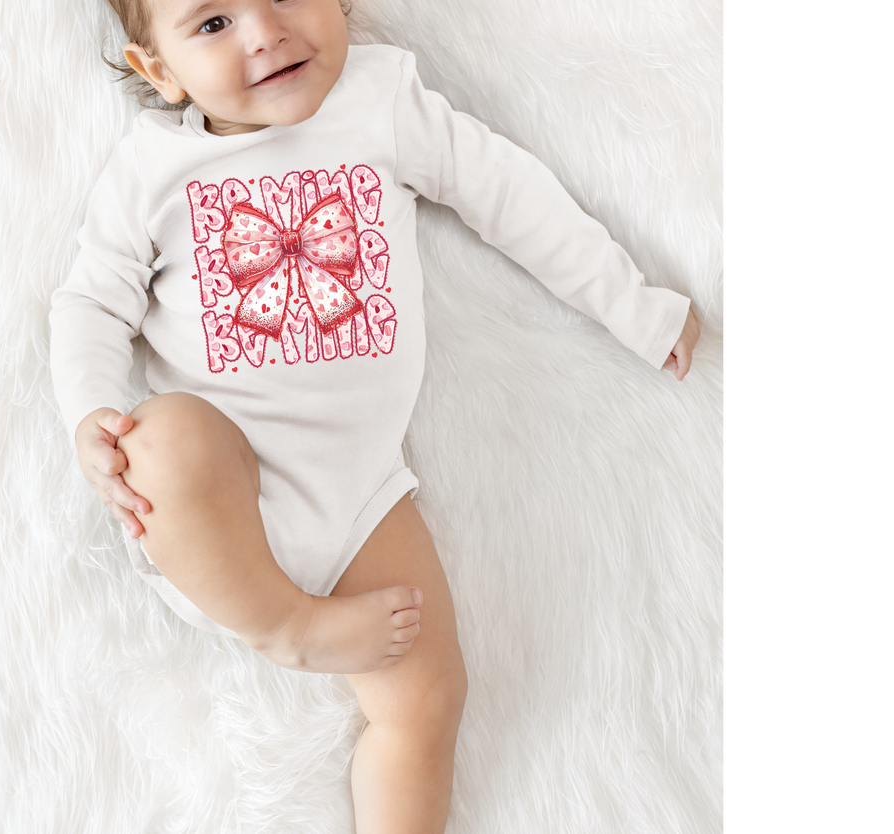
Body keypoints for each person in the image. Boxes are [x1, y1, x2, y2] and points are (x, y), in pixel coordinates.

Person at [49, 1, 701, 831]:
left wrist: (631, 304)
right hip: (220, 497)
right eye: (213, 23)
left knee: (428, 700)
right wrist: (92, 415)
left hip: (359, 495)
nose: (264, 31)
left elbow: (509, 193)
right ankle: (287, 624)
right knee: (162, 437)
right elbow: (90, 303)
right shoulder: (153, 165)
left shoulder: (381, 101)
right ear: (160, 72)